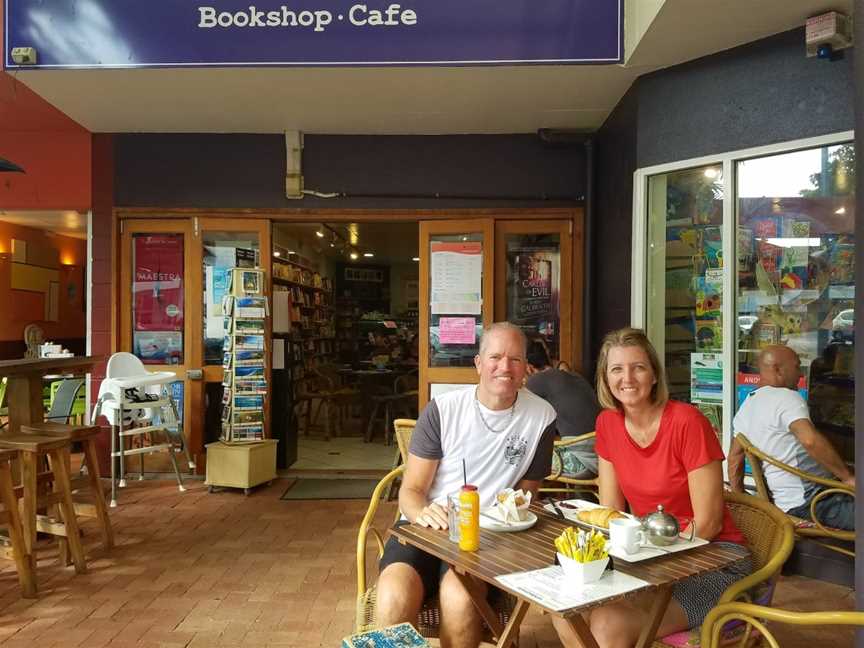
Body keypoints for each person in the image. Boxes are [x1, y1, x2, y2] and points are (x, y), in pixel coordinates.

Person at [553, 328, 751, 648]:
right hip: (649, 556)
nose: (627, 378)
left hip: (716, 561)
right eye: (616, 369)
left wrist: (647, 560)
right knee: (563, 608)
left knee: (608, 623)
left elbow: (710, 525)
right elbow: (611, 515)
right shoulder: (608, 423)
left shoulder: (687, 422)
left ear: (655, 375)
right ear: (605, 379)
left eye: (638, 367)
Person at [375, 322, 557, 648]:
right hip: (428, 527)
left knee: (459, 598)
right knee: (392, 595)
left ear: (526, 366)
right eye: (495, 357)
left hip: (489, 538)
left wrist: (513, 509)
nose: (505, 367)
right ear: (478, 363)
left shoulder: (541, 416)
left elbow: (529, 492)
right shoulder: (443, 411)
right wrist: (423, 514)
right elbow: (411, 490)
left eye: (515, 359)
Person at [728, 345, 855, 530]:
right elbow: (809, 440)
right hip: (815, 503)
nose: (800, 375)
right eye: (797, 367)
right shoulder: (787, 398)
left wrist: (743, 502)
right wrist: (848, 477)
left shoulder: (748, 405)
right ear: (777, 369)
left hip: (788, 504)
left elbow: (734, 459)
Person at [525, 340, 600, 479]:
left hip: (578, 461)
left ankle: (518, 500)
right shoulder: (574, 376)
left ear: (528, 368)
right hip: (601, 458)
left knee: (518, 457)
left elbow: (517, 415)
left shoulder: (537, 380)